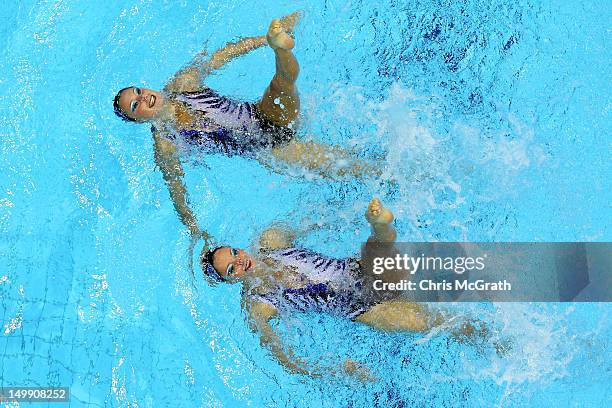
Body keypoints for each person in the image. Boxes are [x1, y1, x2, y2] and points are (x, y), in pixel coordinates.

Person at [113, 14, 378, 239]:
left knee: (281, 84)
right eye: (135, 106)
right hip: (273, 150)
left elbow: (223, 55)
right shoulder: (166, 142)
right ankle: (389, 173)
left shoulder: (184, 84)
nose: (143, 97)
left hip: (263, 116)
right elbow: (175, 185)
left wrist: (263, 40)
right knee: (354, 169)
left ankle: (280, 47)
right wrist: (194, 227)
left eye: (138, 90)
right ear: (139, 120)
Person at [199, 198, 484, 377]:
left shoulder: (271, 241)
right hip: (364, 309)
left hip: (359, 271)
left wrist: (344, 216)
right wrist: (336, 370)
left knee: (381, 256)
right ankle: (497, 343)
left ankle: (379, 228)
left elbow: (316, 218)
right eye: (231, 269)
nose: (240, 262)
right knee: (439, 321)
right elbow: (287, 358)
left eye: (235, 253)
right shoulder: (259, 303)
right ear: (229, 281)